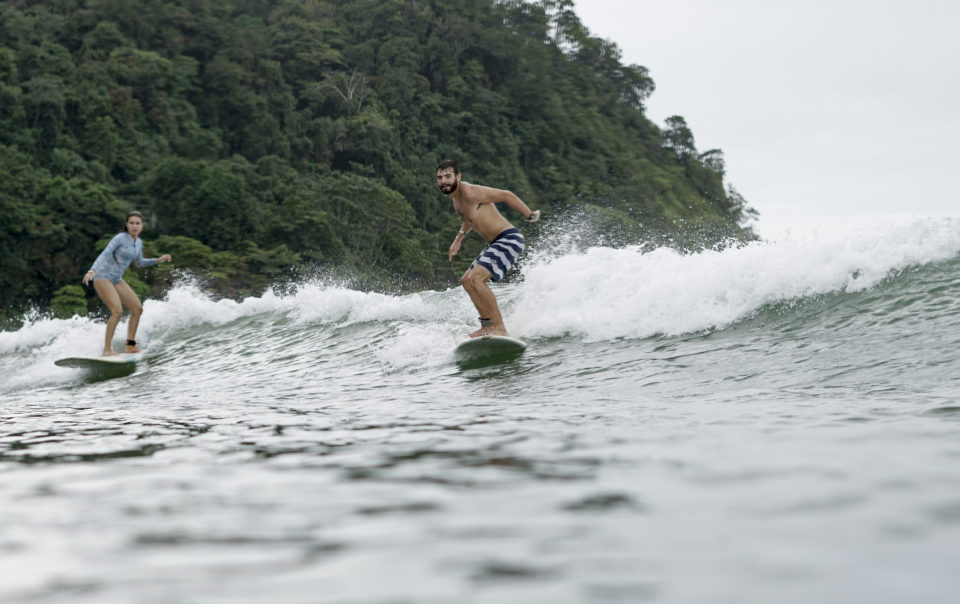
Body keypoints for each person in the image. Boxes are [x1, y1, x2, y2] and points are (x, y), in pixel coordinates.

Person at [438, 159, 540, 338]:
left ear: (458, 177)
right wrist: (458, 239)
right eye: (440, 178)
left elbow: (507, 195)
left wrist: (529, 215)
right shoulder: (456, 199)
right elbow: (469, 218)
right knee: (467, 281)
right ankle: (487, 325)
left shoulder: (471, 192)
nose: (444, 181)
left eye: (448, 176)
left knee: (476, 279)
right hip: (495, 243)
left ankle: (499, 328)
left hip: (508, 238)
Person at [81, 211, 172, 355]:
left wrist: (157, 260)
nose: (134, 226)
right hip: (102, 277)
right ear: (126, 225)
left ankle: (130, 345)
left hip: (116, 279)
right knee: (117, 311)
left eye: (137, 223)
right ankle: (107, 349)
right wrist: (92, 270)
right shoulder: (120, 238)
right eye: (131, 223)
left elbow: (140, 262)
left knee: (137, 309)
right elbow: (104, 253)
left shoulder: (139, 242)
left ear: (142, 225)